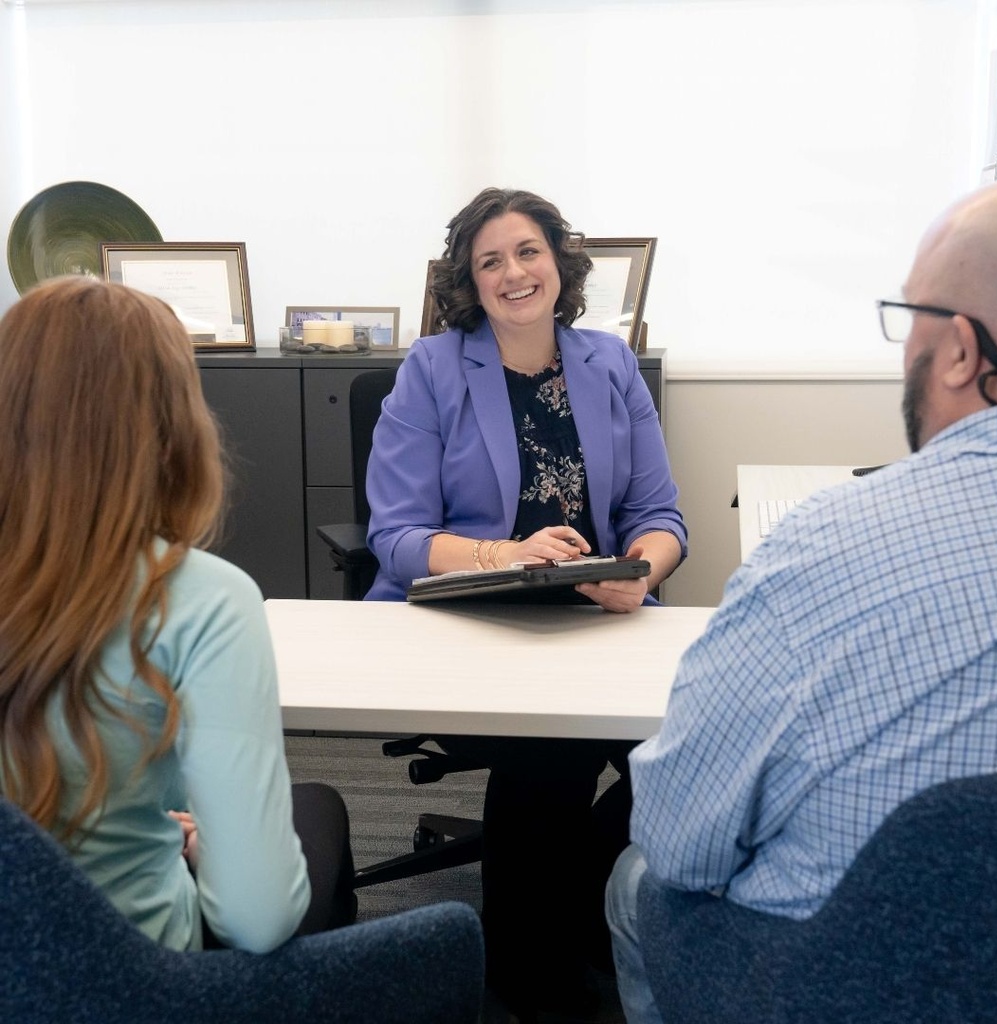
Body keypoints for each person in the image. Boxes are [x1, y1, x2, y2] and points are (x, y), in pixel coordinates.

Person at [605, 178, 997, 1022]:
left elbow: (681, 842)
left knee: (634, 881)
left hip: (830, 981)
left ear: (959, 351)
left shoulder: (825, 547)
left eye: (910, 316)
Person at [364, 186, 687, 1018]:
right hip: (471, 622)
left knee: (692, 748)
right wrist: (504, 555)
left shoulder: (608, 364)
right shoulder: (432, 370)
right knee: (552, 748)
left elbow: (660, 517)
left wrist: (642, 572)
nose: (513, 272)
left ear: (559, 263)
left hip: (594, 619)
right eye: (491, 261)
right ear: (471, 283)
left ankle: (576, 912)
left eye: (528, 251)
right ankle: (530, 976)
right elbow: (396, 536)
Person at [0, 276, 356, 954]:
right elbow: (257, 920)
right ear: (169, 430)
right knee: (318, 814)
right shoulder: (203, 599)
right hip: (133, 984)